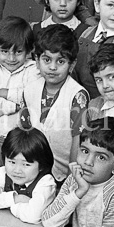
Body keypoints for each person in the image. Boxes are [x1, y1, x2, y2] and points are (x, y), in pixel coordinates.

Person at [0, 16, 37, 192]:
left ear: (29, 50)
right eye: (4, 51)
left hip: (21, 143)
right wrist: (15, 106)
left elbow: (32, 98)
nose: (11, 58)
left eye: (18, 52)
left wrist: (5, 94)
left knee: (17, 189)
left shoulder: (33, 70)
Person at [22, 24, 88, 184]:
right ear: (36, 61)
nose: (52, 67)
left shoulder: (77, 95)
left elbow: (77, 139)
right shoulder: (30, 88)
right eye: (46, 60)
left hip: (62, 175)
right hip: (32, 172)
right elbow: (25, 129)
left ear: (71, 65)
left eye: (60, 61)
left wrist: (71, 180)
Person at [0, 127, 56, 224]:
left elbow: (32, 216)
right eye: (12, 162)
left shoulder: (46, 183)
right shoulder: (4, 173)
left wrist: (8, 205)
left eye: (26, 164)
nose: (17, 170)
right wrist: (16, 199)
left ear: (42, 165)